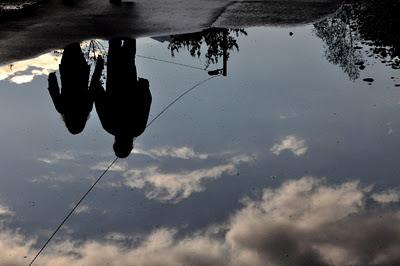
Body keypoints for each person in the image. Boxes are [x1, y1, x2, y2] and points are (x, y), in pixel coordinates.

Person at [92, 38, 152, 158]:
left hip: (130, 83)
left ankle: (129, 30)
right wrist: (97, 86)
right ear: (115, 144)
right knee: (115, 52)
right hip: (114, 82)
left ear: (131, 146)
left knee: (129, 57)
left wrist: (144, 87)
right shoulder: (109, 126)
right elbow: (99, 101)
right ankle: (118, 29)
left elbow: (145, 104)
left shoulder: (138, 129)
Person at [47, 43, 95, 135]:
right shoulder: (62, 109)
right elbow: (54, 91)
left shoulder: (87, 108)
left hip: (81, 72)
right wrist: (52, 77)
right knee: (69, 45)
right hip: (67, 72)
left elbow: (92, 88)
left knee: (75, 45)